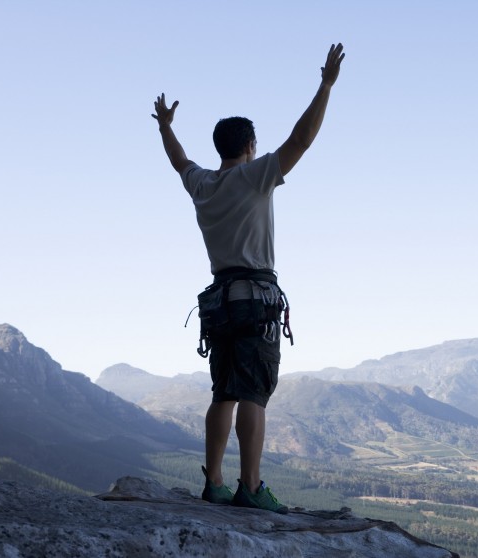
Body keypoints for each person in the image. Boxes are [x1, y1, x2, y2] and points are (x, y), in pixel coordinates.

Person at [152, 43, 345, 513]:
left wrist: (165, 127)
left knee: (224, 393)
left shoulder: (202, 184)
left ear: (220, 147)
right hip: (255, 300)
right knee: (253, 394)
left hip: (219, 303)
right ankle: (252, 487)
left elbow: (179, 161)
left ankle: (214, 482)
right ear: (250, 147)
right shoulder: (255, 177)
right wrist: (325, 86)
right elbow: (301, 140)